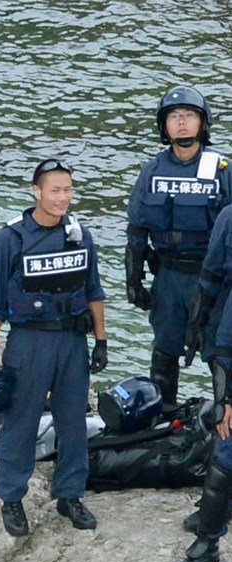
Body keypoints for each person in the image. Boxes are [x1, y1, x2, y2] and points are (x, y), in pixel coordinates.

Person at [0, 159, 108, 536]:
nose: (63, 198)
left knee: (73, 420)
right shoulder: (11, 239)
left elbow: (94, 291)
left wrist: (101, 340)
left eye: (68, 190)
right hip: (29, 340)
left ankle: (70, 494)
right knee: (21, 421)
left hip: (72, 340)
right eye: (55, 190)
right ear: (36, 191)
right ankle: (11, 497)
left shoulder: (79, 234)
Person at [126, 85, 232, 413]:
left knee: (220, 352)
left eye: (189, 116)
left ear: (203, 123)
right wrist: (134, 279)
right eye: (174, 117)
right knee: (164, 351)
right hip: (168, 277)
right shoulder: (153, 171)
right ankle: (161, 420)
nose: (182, 123)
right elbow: (137, 230)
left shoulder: (221, 170)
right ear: (164, 125)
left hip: (211, 277)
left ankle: (225, 417)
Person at [176, 203, 232, 562]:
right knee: (226, 448)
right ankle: (209, 540)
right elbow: (211, 275)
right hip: (227, 339)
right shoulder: (228, 217)